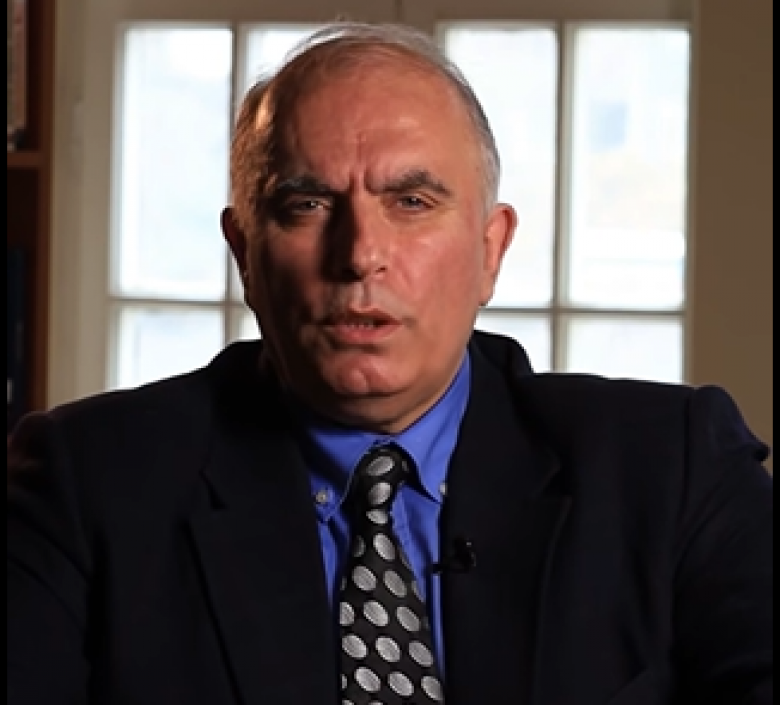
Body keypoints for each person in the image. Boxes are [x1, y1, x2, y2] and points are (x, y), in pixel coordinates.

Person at [6, 21, 773, 705]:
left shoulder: (676, 468)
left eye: (411, 202)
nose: (360, 254)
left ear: (490, 251)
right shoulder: (82, 484)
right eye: (307, 204)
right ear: (244, 252)